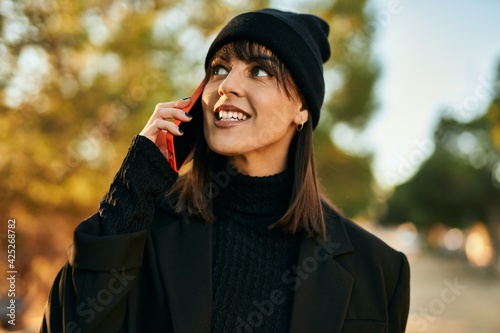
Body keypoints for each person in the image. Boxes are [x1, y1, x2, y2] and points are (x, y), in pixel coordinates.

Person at [41, 8, 410, 333]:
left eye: (260, 71)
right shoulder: (141, 224)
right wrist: (135, 181)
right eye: (219, 69)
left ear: (302, 109)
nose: (227, 86)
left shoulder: (378, 270)